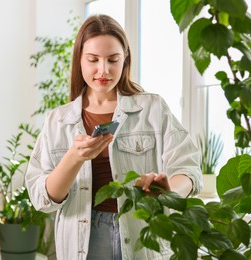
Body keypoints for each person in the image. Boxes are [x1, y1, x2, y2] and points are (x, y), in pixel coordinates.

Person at [25, 14, 202, 260]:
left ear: (125, 59)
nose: (103, 70)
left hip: (142, 231)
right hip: (83, 239)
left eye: (113, 60)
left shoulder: (152, 108)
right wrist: (74, 158)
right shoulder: (57, 120)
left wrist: (171, 190)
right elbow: (42, 200)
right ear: (79, 60)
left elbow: (189, 169)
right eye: (93, 60)